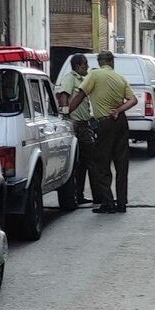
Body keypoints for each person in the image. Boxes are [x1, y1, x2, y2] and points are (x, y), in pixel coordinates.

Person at [68, 51, 138, 214]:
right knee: (121, 163)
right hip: (121, 122)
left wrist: (66, 111)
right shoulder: (120, 78)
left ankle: (108, 202)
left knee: (102, 163)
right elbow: (133, 100)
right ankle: (121, 203)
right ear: (112, 62)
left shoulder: (94, 75)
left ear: (100, 62)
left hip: (104, 123)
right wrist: (119, 110)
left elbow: (80, 96)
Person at [57, 54, 95, 205]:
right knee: (77, 161)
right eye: (85, 64)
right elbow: (63, 95)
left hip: (85, 124)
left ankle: (80, 194)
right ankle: (74, 195)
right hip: (75, 124)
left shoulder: (84, 79)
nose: (87, 67)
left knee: (85, 161)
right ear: (78, 66)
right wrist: (67, 115)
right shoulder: (70, 78)